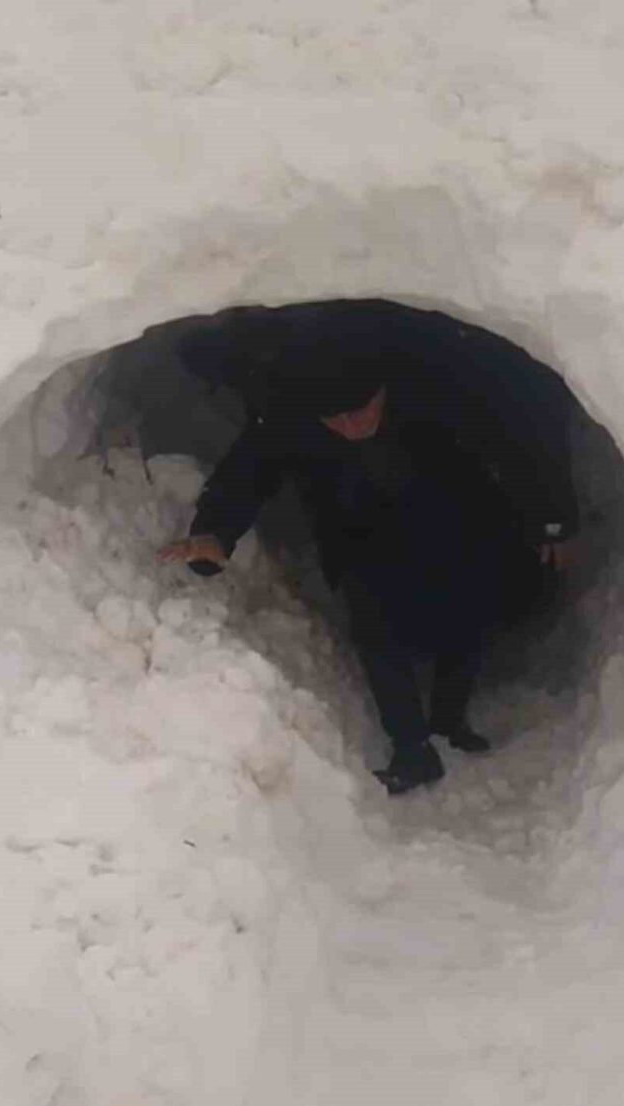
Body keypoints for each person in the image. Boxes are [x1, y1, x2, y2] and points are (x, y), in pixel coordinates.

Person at [158, 307, 580, 794]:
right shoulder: (292, 408)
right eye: (333, 418)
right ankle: (412, 749)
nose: (349, 425)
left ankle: (450, 718)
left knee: (465, 609)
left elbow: (515, 440)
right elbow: (249, 470)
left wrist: (555, 522)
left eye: (358, 410)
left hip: (453, 511)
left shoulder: (437, 386)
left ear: (383, 387)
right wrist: (214, 533)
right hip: (356, 529)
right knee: (375, 629)